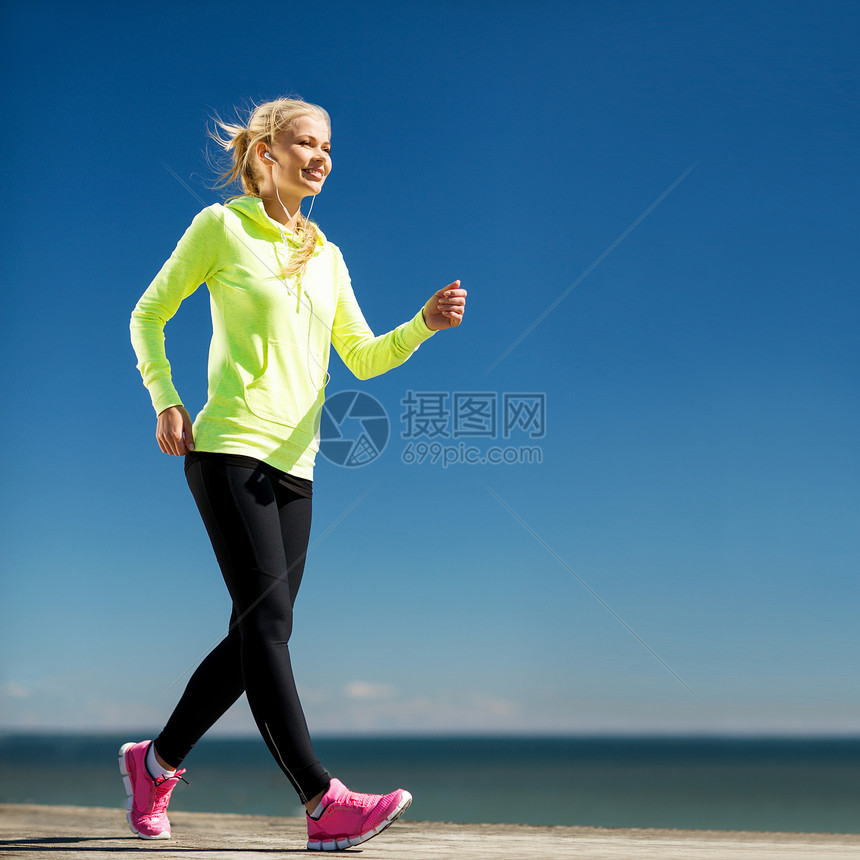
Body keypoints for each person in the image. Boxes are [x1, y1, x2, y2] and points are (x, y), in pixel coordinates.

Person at [123, 97, 467, 852]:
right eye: (305, 143)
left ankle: (154, 764)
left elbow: (363, 358)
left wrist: (423, 325)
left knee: (257, 634)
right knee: (270, 626)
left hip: (296, 464)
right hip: (228, 448)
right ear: (266, 153)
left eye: (329, 146)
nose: (321, 156)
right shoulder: (221, 228)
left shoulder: (329, 255)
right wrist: (166, 398)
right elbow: (147, 314)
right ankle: (322, 801)